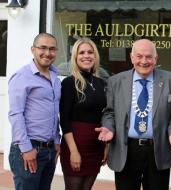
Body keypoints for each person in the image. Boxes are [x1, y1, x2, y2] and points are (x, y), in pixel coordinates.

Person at [95, 39, 171, 190]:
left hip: (158, 151)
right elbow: (109, 112)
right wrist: (109, 127)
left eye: (149, 57)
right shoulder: (115, 81)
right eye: (139, 56)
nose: (144, 61)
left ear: (156, 59)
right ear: (132, 58)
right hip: (126, 151)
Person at [8, 33, 61, 190]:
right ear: (33, 50)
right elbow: (15, 114)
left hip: (49, 151)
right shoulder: (22, 76)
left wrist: (57, 140)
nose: (47, 53)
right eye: (42, 48)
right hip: (29, 150)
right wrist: (26, 148)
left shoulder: (55, 77)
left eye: (52, 49)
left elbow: (53, 111)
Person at [59, 37, 107, 190]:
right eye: (82, 53)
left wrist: (107, 146)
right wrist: (73, 151)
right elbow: (64, 120)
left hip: (96, 146)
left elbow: (105, 116)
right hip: (76, 145)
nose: (86, 56)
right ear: (75, 57)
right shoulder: (69, 82)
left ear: (95, 56)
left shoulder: (101, 83)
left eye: (90, 52)